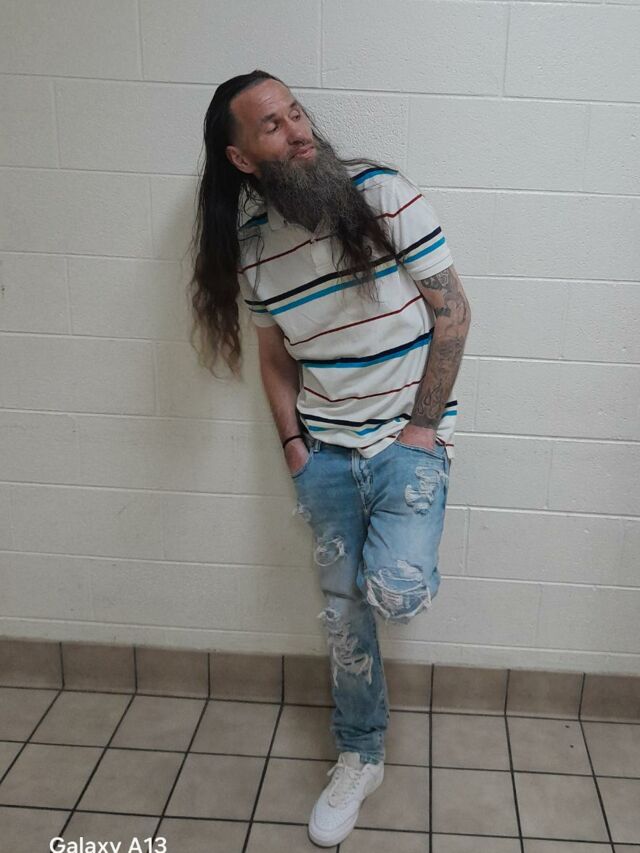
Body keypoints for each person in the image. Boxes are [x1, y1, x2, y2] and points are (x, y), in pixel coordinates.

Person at [188, 69, 471, 848]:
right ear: (241, 158)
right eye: (273, 126)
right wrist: (294, 448)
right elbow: (274, 357)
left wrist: (423, 432)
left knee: (395, 591)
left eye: (296, 113)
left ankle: (369, 698)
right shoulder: (252, 248)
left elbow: (453, 312)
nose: (299, 131)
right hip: (326, 455)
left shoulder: (381, 194)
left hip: (409, 442)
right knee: (343, 616)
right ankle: (361, 752)